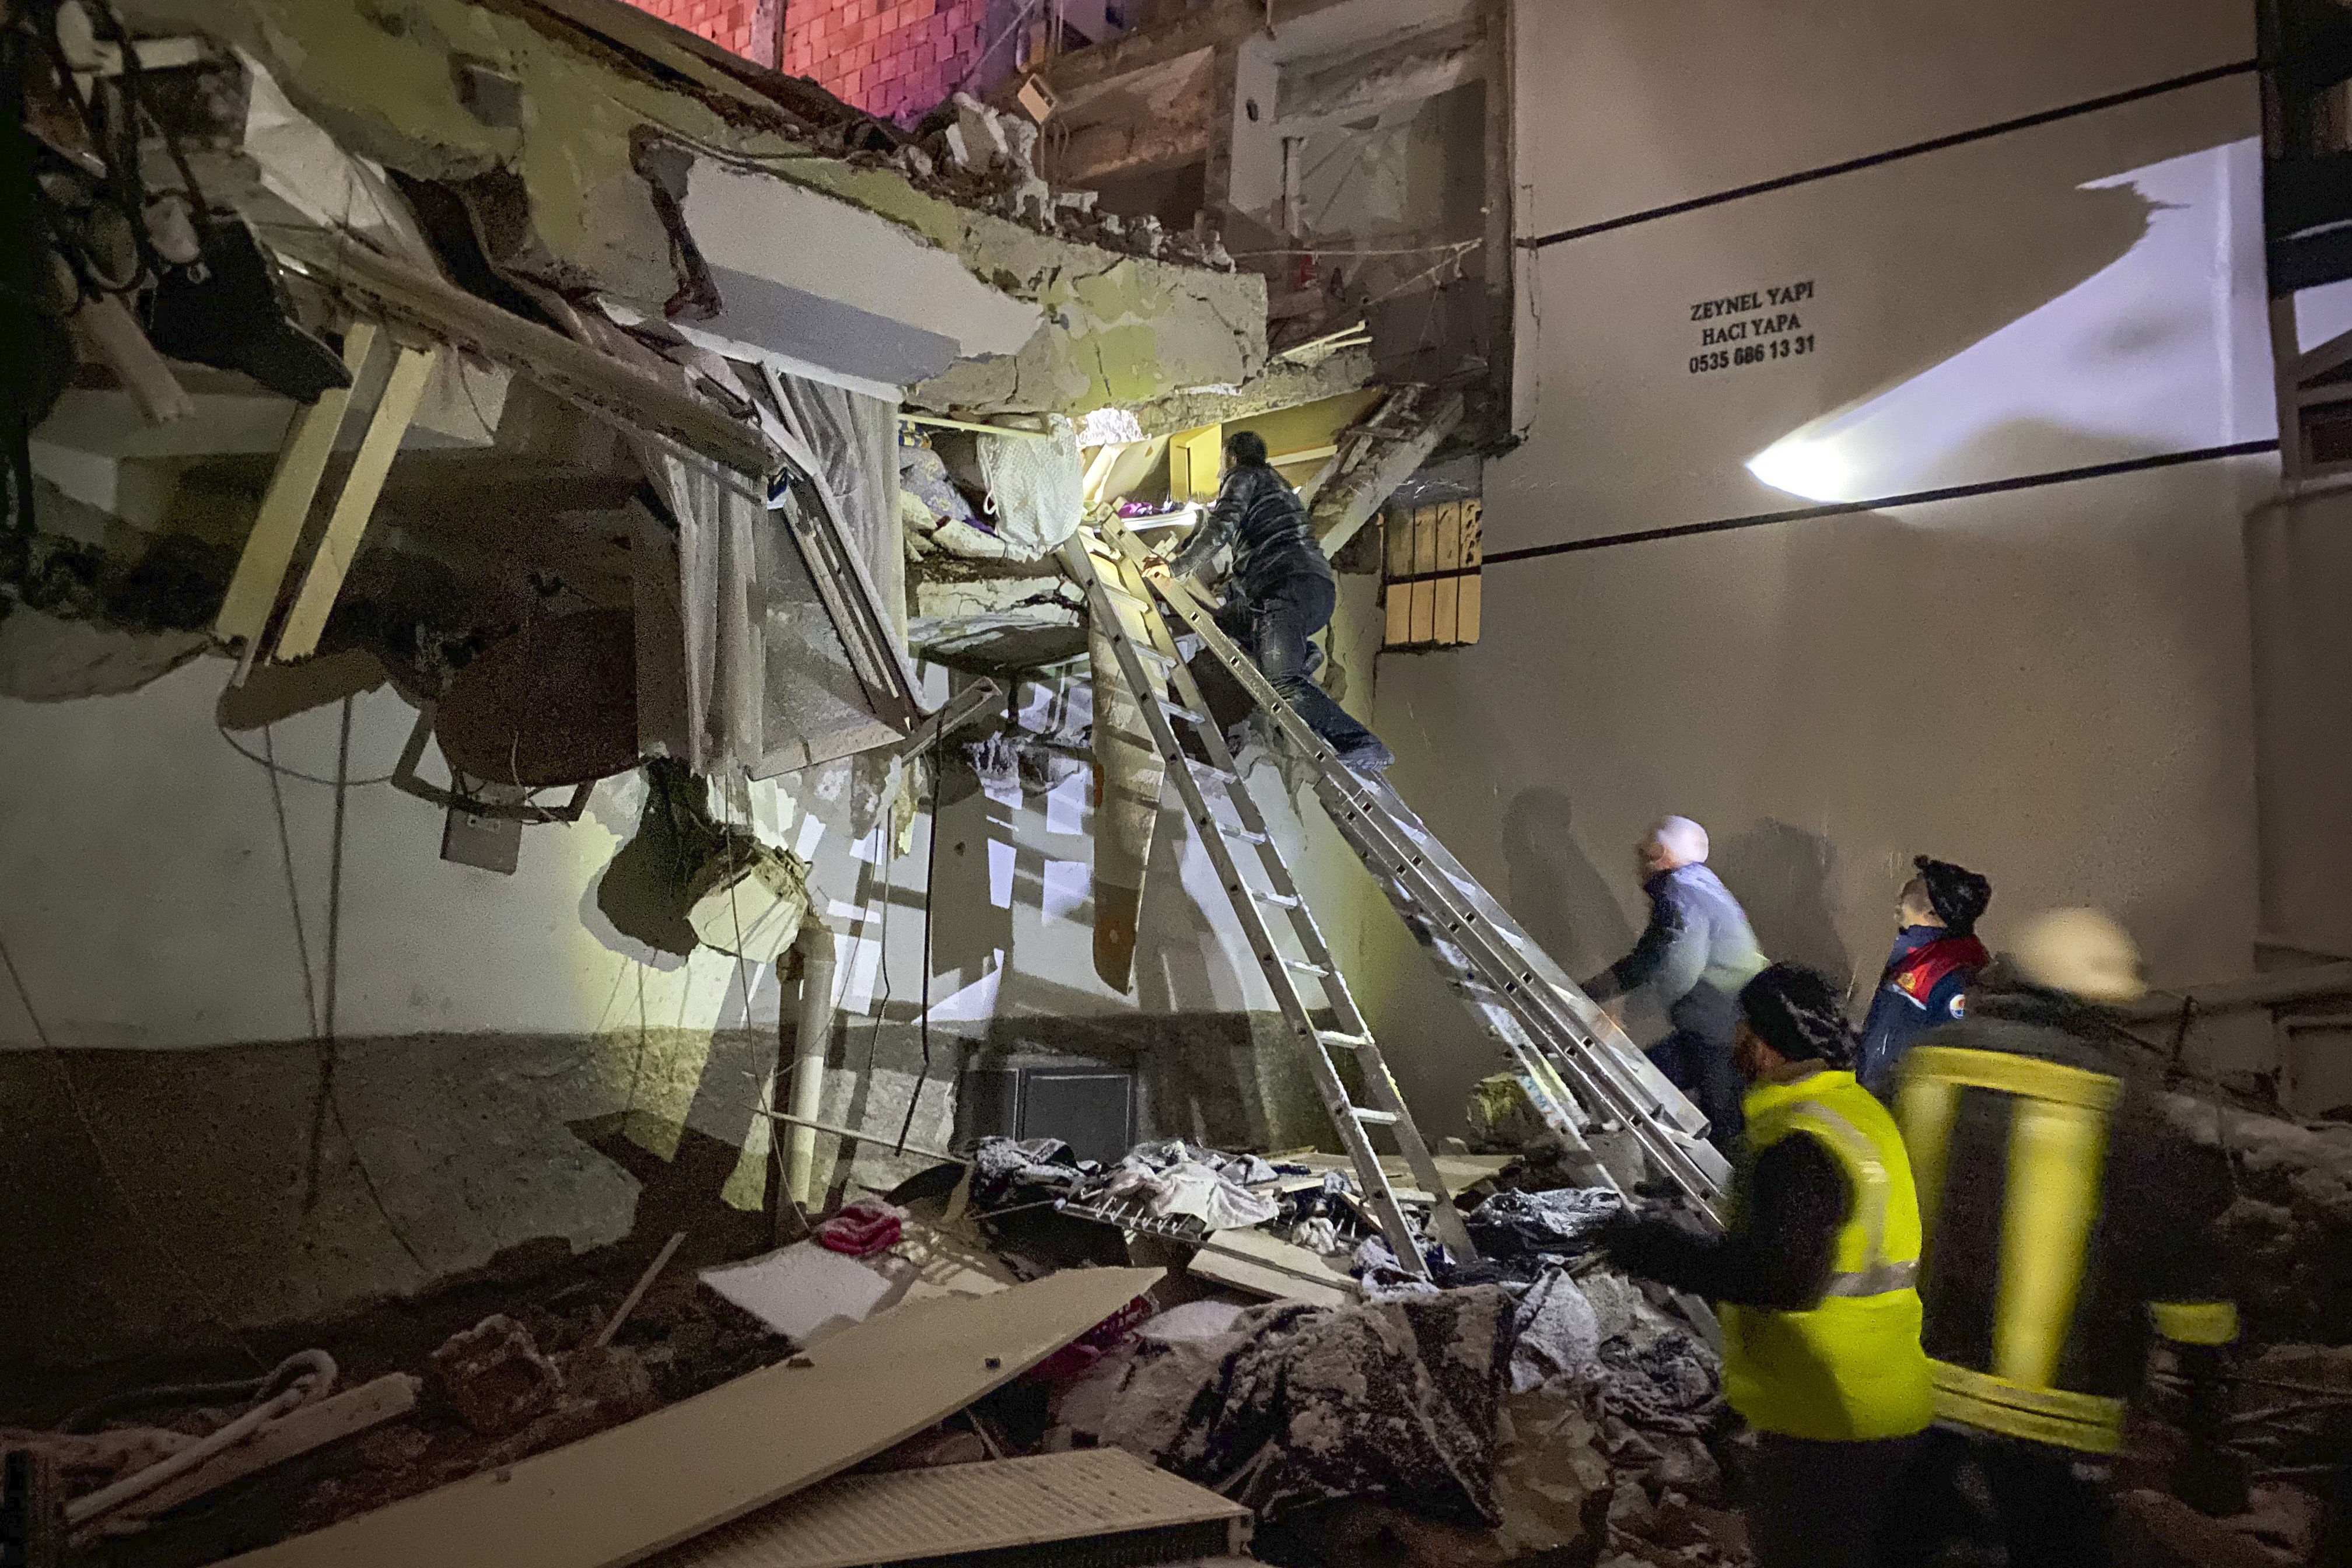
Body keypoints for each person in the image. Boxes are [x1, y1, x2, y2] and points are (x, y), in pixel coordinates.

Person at [1889, 909, 2244, 1568]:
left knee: (1904, 1545)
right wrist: (2206, 1415)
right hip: (2054, 1413)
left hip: (1914, 1380)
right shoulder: (2120, 1103)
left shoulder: (1922, 1064)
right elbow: (2183, 1269)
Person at [1600, 963, 1935, 1568]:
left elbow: (1778, 1277)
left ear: (1764, 1042)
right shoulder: (1856, 1113)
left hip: (1829, 1420)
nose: (1734, 1042)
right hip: (1883, 1403)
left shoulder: (1800, 1143)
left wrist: (1648, 1246)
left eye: (1744, 1027)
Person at [1143, 429, 1393, 772]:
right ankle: (1301, 653)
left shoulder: (1242, 478)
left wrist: (1176, 568)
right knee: (1228, 621)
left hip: (1287, 590)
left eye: (1222, 460)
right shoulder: (1274, 482)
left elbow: (1220, 529)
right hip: (1305, 590)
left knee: (1282, 683)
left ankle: (1362, 742)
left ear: (1231, 457)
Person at [1581, 817, 1765, 1143]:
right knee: (1643, 1085)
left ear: (1661, 852)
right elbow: (1647, 959)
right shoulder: (1694, 885)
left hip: (1721, 1032)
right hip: (1717, 1025)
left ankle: (1713, 1188)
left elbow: (1679, 973)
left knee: (1721, 1126)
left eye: (1647, 845)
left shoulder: (1681, 893)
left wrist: (1623, 1014)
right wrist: (1589, 992)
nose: (1638, 852)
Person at [1856, 856, 1992, 1101]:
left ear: (1933, 909)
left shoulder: (1954, 971)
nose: (1902, 896)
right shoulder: (1917, 954)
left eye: (1916, 888)